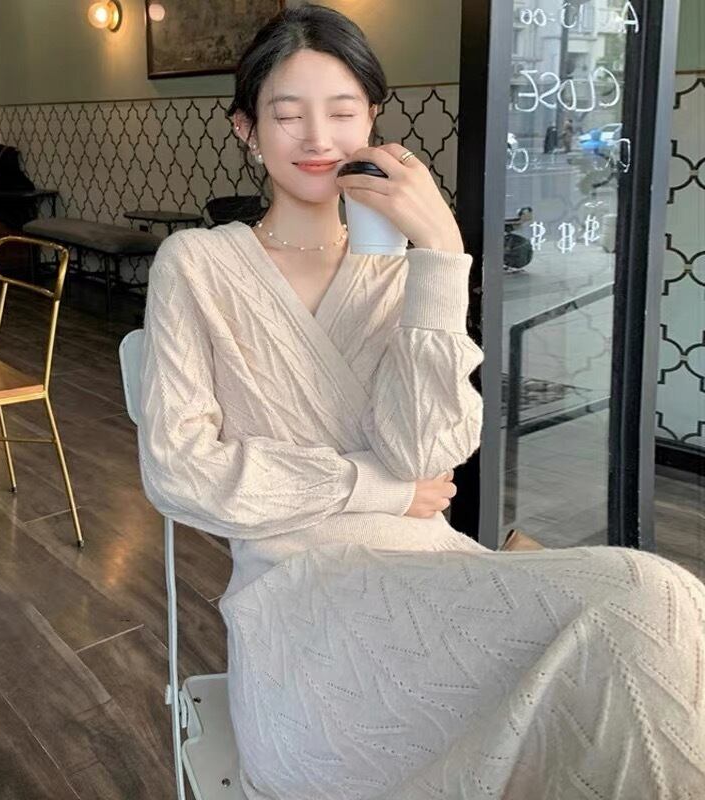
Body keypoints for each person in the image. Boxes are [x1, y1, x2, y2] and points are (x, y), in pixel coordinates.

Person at [137, 5, 705, 798]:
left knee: (658, 603)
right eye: (287, 114)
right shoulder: (194, 265)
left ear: (372, 119)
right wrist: (381, 489)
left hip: (433, 574)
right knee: (640, 616)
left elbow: (427, 454)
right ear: (247, 130)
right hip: (298, 614)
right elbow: (180, 473)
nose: (317, 137)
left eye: (342, 111)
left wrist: (440, 254)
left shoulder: (399, 270)